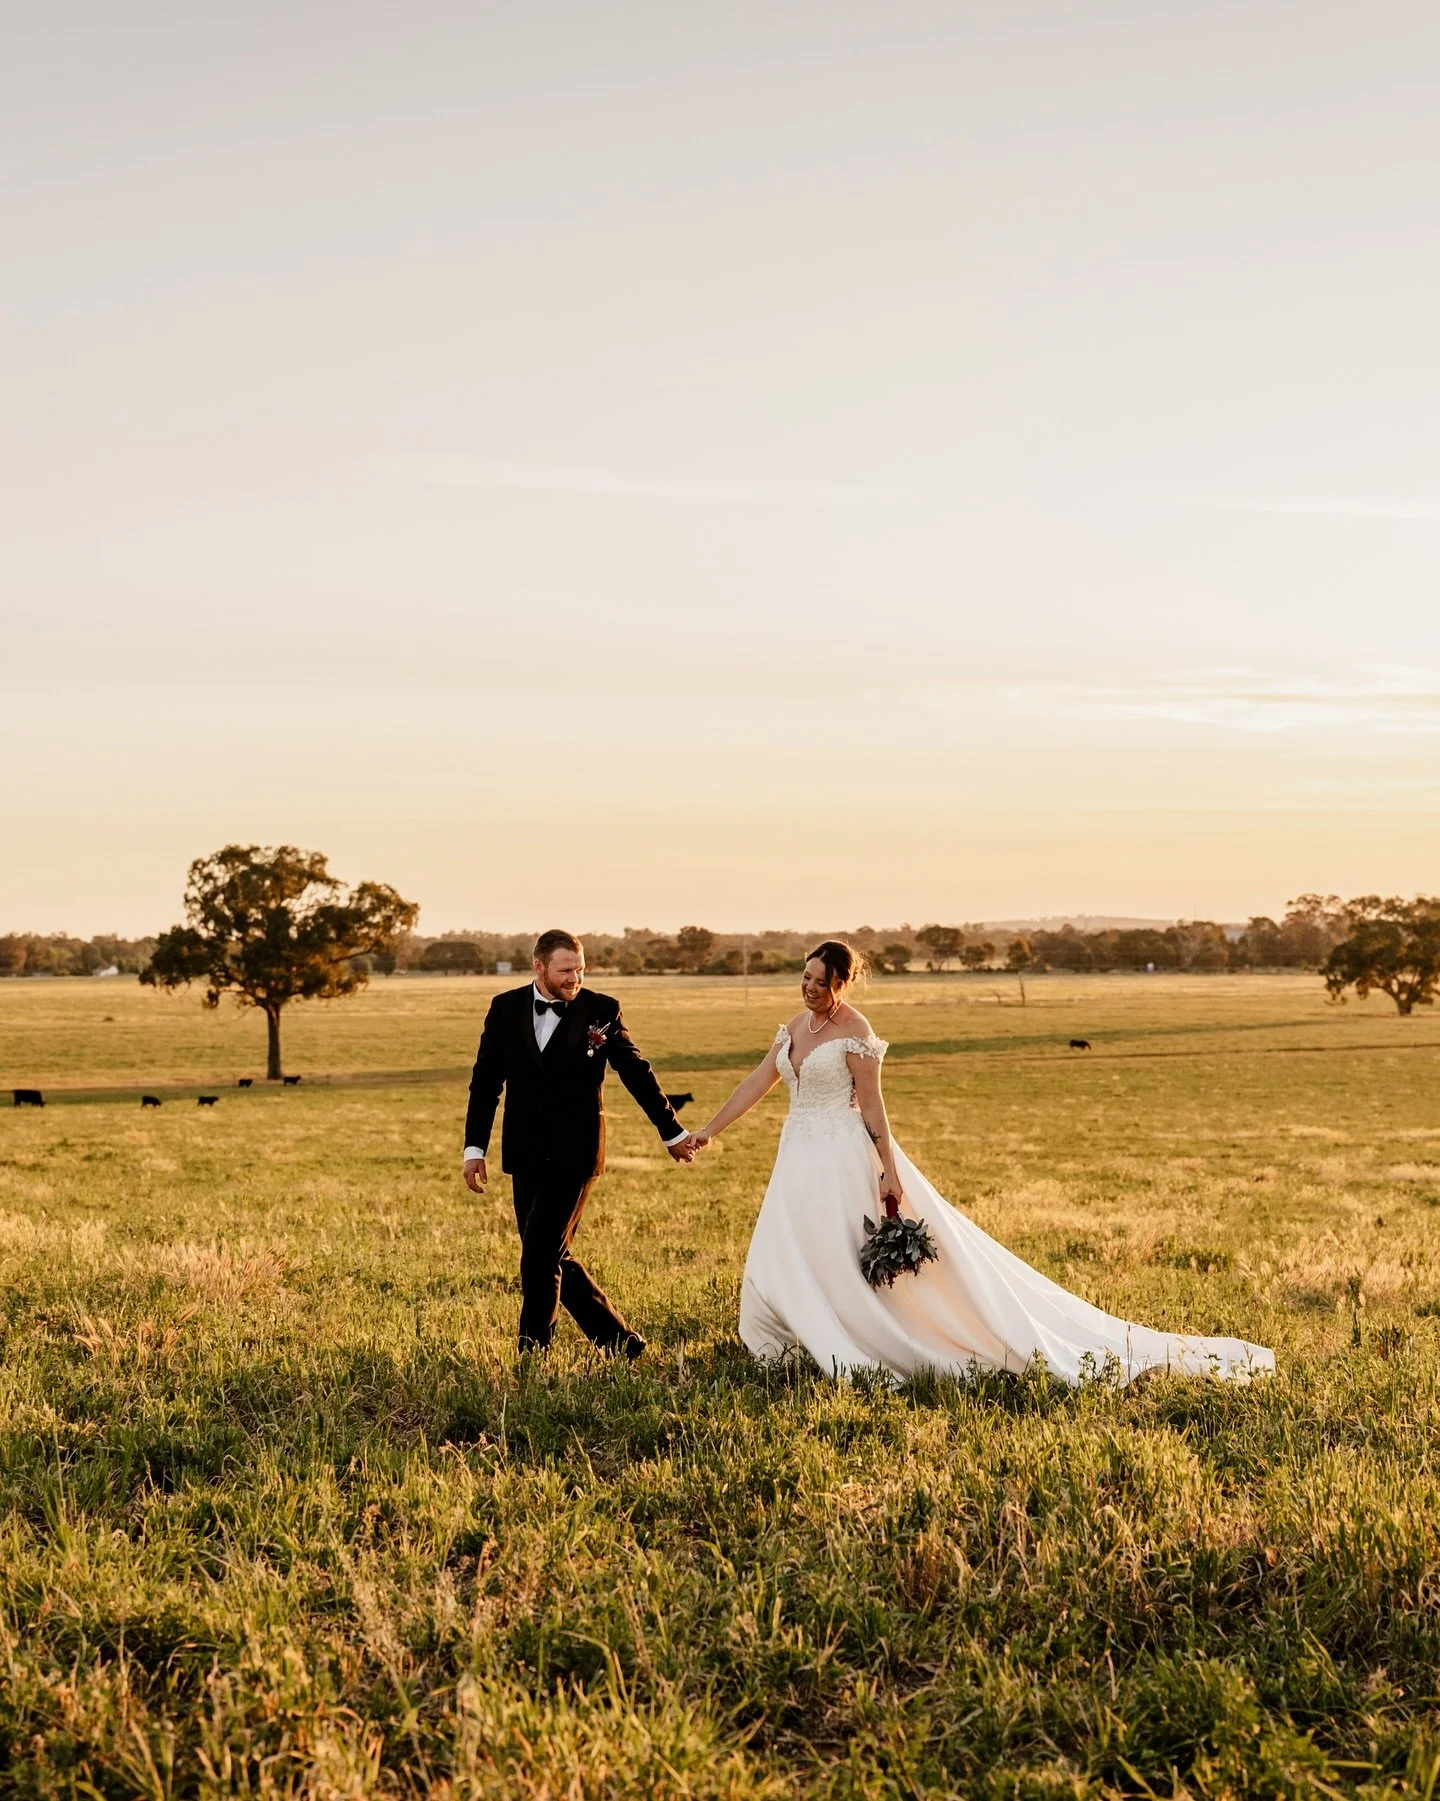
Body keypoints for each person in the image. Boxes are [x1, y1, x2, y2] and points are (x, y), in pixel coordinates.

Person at [693, 940, 1274, 1385]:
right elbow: (757, 1083)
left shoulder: (856, 1032)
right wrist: (709, 1131)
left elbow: (872, 1106)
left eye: (820, 982)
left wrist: (888, 1169)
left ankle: (855, 1337)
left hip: (843, 1158)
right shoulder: (794, 1029)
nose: (808, 989)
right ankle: (786, 1337)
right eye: (805, 978)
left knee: (836, 1255)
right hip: (796, 1157)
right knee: (783, 1248)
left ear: (841, 984)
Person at [463, 929, 699, 1358]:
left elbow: (636, 1073)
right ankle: (620, 1342)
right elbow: (485, 1084)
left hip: (576, 1155)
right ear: (539, 967)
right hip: (525, 1152)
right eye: (566, 970)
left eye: (581, 969)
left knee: (539, 1252)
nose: (575, 978)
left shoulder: (600, 1010)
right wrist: (474, 1149)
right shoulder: (505, 1008)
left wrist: (672, 1131)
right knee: (549, 1252)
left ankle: (532, 1354)